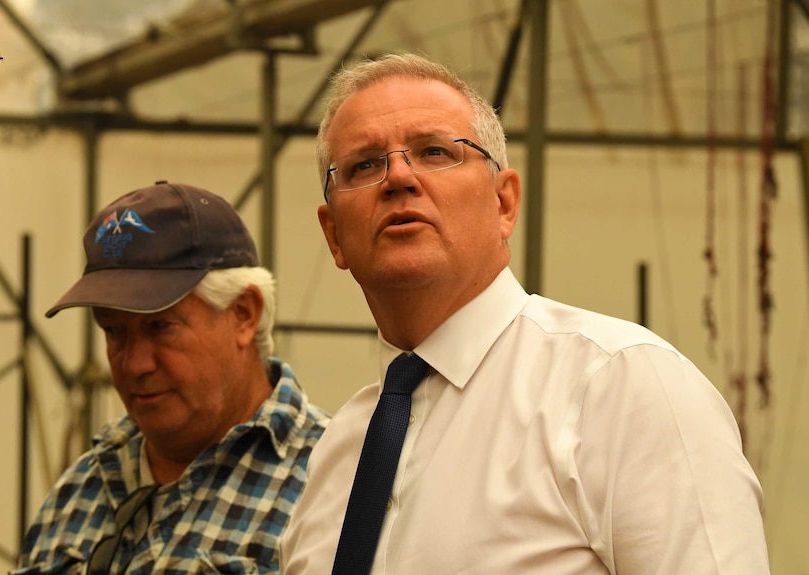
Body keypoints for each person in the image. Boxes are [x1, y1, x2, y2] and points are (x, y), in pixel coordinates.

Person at [280, 53, 769, 574]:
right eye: (365, 165)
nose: (398, 176)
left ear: (504, 203)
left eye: (435, 151)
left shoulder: (619, 389)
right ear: (334, 235)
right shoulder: (339, 454)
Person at [13, 181, 329, 575]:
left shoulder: (330, 480)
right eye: (114, 332)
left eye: (161, 326)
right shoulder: (81, 488)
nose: (135, 364)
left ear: (243, 314)